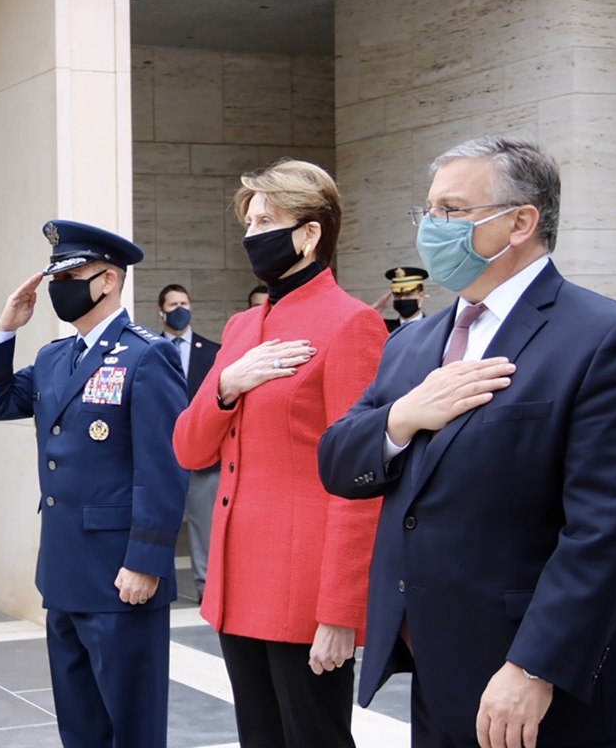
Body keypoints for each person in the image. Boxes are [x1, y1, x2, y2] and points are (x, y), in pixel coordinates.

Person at [317, 136, 616, 748]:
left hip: (545, 683)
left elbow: (608, 530)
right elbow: (338, 461)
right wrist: (402, 418)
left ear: (521, 222)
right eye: (428, 211)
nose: (431, 228)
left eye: (452, 211)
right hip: (439, 670)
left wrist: (535, 665)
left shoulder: (607, 338)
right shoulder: (412, 345)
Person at [172, 159, 386, 748]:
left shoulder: (353, 325)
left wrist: (341, 609)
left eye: (265, 220)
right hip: (238, 576)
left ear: (310, 232)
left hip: (302, 585)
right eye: (247, 224)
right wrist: (225, 385)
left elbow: (361, 478)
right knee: (259, 737)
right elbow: (190, 448)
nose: (251, 236)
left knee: (313, 738)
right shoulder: (242, 327)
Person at [0, 220, 189, 747]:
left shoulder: (146, 355)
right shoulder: (52, 357)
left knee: (131, 725)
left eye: (71, 274)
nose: (57, 288)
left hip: (120, 576)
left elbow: (164, 466)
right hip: (64, 570)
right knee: (81, 724)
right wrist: (6, 328)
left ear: (108, 280)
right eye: (55, 276)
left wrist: (145, 560)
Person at [157, 283, 221, 602]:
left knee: (203, 522)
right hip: (161, 452)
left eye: (184, 302)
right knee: (159, 519)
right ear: (161, 311)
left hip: (202, 451)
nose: (179, 309)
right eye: (172, 304)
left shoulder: (212, 351)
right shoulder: (150, 349)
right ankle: (158, 583)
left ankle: (206, 587)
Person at [373, 266, 430, 332]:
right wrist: (370, 311)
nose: (402, 298)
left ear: (421, 296)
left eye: (408, 294)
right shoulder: (384, 328)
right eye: (398, 294)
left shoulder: (434, 327)